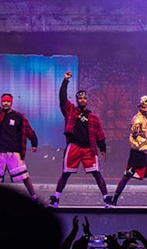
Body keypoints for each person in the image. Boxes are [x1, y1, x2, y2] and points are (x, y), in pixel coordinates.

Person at [49, 71, 112, 208]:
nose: (82, 100)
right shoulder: (71, 111)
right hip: (74, 146)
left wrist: (102, 148)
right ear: (77, 100)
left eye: (84, 98)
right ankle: (56, 199)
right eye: (80, 98)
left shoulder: (93, 117)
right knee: (65, 174)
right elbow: (62, 99)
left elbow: (99, 133)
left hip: (89, 148)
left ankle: (107, 199)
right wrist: (65, 81)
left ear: (87, 100)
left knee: (96, 174)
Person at [0, 74, 39, 200]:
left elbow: (29, 130)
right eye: (4, 101)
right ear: (2, 103)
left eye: (8, 101)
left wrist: (34, 143)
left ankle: (34, 197)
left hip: (14, 151)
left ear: (11, 103)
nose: (6, 103)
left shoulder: (18, 117)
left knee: (25, 176)